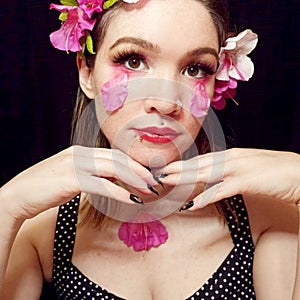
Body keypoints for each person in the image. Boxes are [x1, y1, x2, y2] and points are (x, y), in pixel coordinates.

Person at [0, 0, 300, 299]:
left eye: (195, 69)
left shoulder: (268, 218)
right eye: (133, 61)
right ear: (87, 74)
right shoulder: (37, 227)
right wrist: (7, 206)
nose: (167, 103)